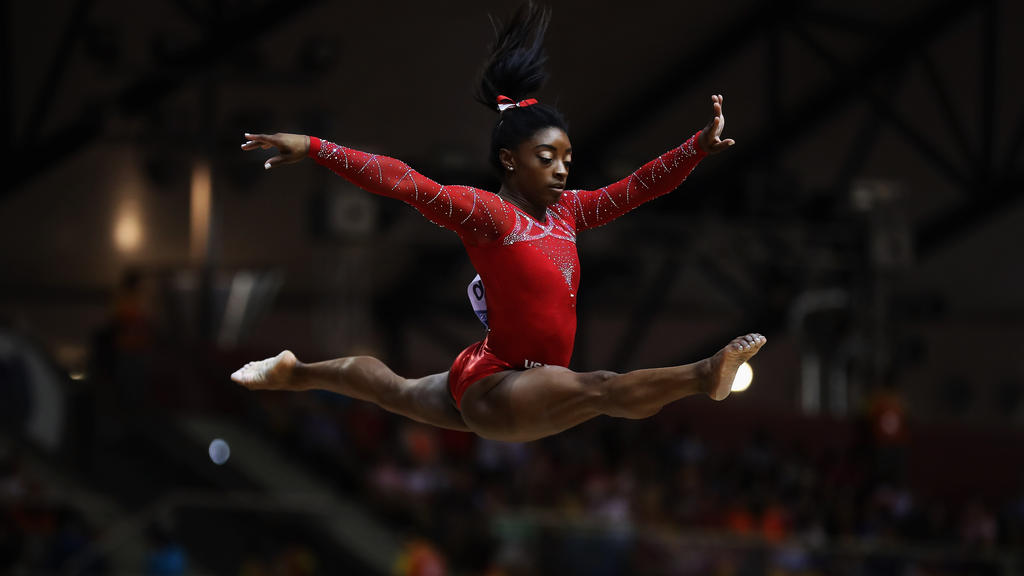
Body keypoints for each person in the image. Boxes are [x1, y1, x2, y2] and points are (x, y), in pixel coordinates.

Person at [232, 2, 765, 442]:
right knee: (601, 387)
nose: (561, 170)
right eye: (546, 158)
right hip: (499, 386)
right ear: (510, 160)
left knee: (392, 389)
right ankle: (704, 374)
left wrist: (697, 147)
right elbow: (404, 182)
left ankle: (293, 371)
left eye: (566, 159)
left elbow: (641, 186)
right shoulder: (490, 216)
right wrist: (316, 146)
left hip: (504, 376)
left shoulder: (569, 213)